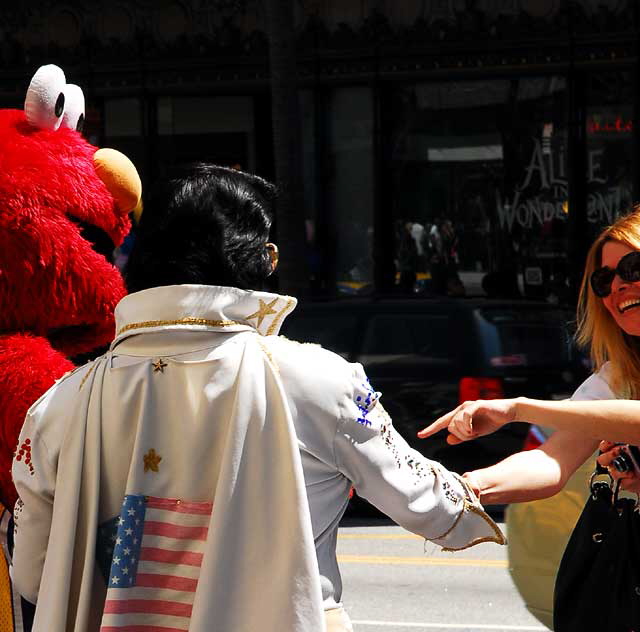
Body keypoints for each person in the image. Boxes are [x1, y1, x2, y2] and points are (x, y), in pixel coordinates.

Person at [11, 164, 504, 632]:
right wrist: (491, 481)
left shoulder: (59, 404)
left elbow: (33, 573)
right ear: (256, 261)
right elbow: (428, 505)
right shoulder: (316, 378)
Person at [418, 209, 640, 502]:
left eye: (633, 268)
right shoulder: (617, 377)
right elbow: (551, 461)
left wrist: (516, 409)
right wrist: (461, 488)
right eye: (603, 279)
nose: (616, 285)